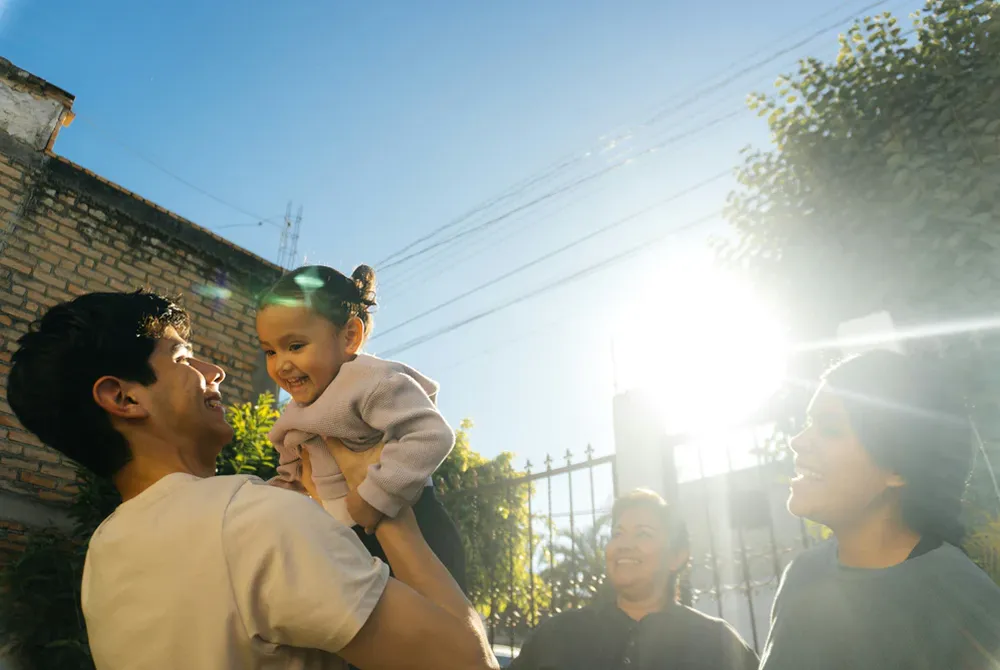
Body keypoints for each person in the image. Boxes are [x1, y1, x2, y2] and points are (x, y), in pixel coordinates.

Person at [7, 289, 497, 670]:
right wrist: (384, 503)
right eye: (182, 359)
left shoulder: (104, 553)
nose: (214, 370)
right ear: (124, 398)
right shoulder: (251, 520)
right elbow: (469, 664)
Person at [760, 350, 1000, 670]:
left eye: (829, 428)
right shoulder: (803, 575)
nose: (798, 442)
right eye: (808, 423)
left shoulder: (963, 598)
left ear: (897, 469)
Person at [257, 264, 466, 591]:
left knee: (431, 626)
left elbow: (431, 434)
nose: (281, 363)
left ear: (349, 337)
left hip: (416, 526)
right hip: (348, 538)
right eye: (270, 350)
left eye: (295, 346)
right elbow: (294, 471)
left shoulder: (371, 382)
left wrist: (375, 496)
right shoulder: (297, 411)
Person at [511, 489, 758, 670]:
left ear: (676, 556)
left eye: (643, 534)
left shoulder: (717, 642)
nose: (624, 545)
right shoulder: (558, 634)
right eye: (618, 534)